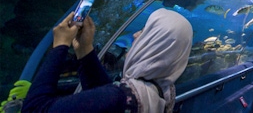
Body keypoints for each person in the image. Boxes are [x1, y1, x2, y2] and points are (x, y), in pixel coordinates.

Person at [23, 8, 193, 113]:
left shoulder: (119, 98)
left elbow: (34, 109)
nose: (135, 35)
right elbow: (105, 98)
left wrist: (59, 45)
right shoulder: (160, 92)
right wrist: (84, 50)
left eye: (144, 31)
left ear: (156, 43)